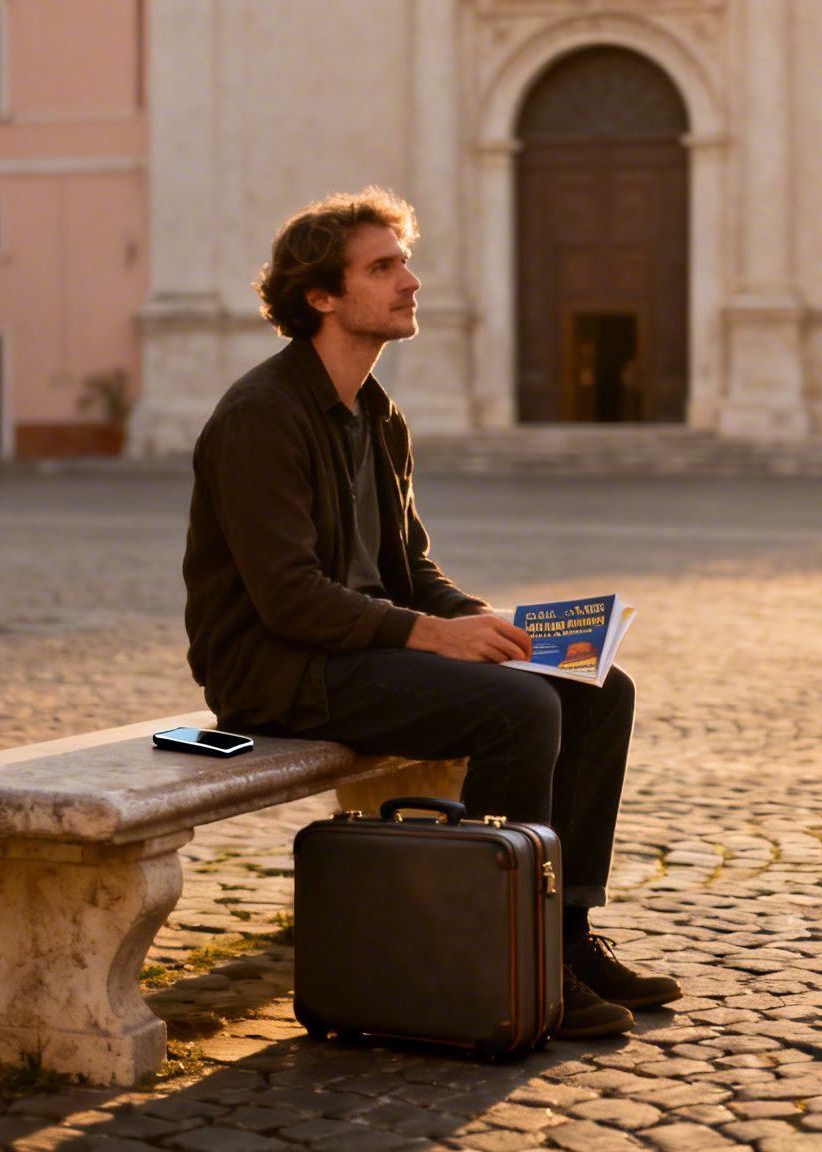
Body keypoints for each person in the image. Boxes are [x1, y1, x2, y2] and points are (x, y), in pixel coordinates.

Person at [182, 187, 680, 1038]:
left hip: (360, 655)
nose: (411, 282)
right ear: (321, 296)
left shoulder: (377, 416)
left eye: (404, 262)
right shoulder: (262, 415)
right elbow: (288, 596)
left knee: (597, 686)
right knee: (519, 709)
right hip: (280, 672)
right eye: (383, 267)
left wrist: (495, 626)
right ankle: (499, 953)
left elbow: (408, 568)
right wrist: (434, 636)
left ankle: (561, 933)